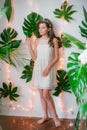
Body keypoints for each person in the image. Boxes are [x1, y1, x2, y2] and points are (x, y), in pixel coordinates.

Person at [26, 18, 61, 127]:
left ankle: (55, 117)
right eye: (39, 28)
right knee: (41, 94)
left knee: (46, 94)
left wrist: (48, 68)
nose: (40, 30)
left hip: (48, 69)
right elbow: (34, 58)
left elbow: (56, 57)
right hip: (38, 69)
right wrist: (29, 45)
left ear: (49, 28)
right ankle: (45, 115)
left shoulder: (54, 40)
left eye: (43, 27)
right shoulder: (37, 40)